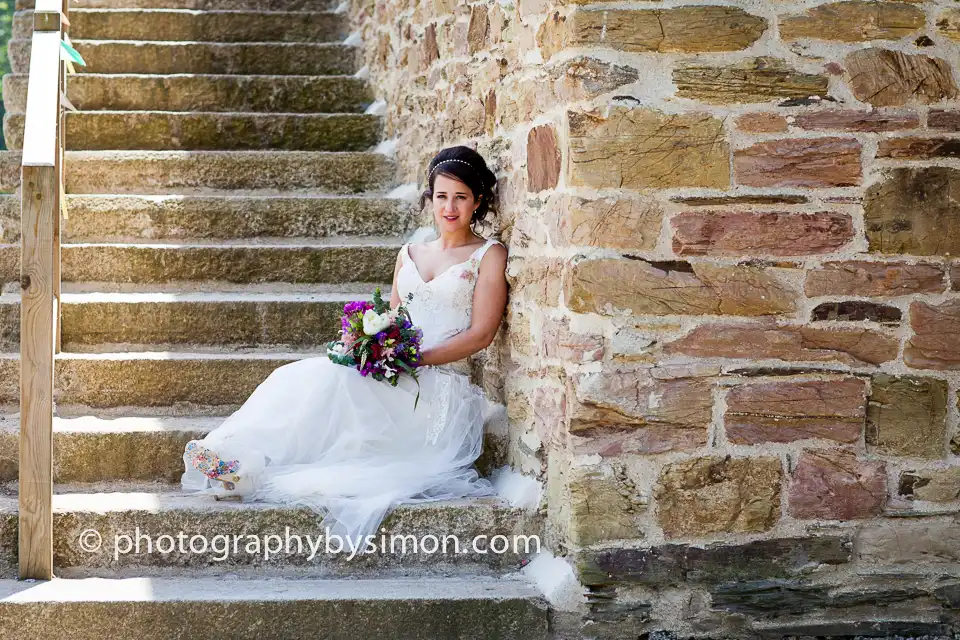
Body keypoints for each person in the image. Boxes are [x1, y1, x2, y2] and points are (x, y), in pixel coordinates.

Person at [180, 146, 511, 543]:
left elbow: (481, 335)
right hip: (396, 373)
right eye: (441, 196)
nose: (450, 207)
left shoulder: (488, 255)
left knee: (338, 382)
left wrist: (411, 358)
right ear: (430, 199)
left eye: (460, 197)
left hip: (438, 391)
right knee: (313, 373)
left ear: (477, 201)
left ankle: (250, 464)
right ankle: (236, 459)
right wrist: (369, 345)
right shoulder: (409, 253)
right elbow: (393, 319)